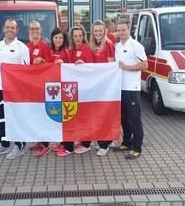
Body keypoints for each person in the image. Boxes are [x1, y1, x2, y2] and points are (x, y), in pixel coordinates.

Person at [0, 19, 30, 160]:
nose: (10, 30)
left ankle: (19, 146)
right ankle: (4, 144)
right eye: (7, 27)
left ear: (17, 30)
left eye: (12, 27)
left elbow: (25, 71)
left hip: (14, 90)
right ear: (3, 28)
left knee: (16, 118)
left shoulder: (22, 48)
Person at [56, 24, 95, 157]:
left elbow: (93, 70)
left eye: (80, 35)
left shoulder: (87, 51)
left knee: (84, 117)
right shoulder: (71, 49)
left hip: (84, 89)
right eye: (75, 36)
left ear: (84, 36)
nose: (78, 38)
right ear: (71, 37)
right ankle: (77, 140)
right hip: (73, 89)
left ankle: (86, 144)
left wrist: (84, 66)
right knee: (75, 117)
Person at [113, 18, 148, 159]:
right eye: (119, 30)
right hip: (119, 88)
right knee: (123, 118)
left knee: (134, 119)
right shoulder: (117, 46)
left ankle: (137, 147)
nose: (121, 32)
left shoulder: (136, 46)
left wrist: (127, 67)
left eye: (123, 30)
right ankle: (126, 142)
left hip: (131, 89)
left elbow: (145, 65)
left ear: (129, 30)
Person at [87, 20, 116, 156]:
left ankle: (103, 144)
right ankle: (108, 141)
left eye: (100, 30)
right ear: (92, 32)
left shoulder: (108, 44)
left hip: (105, 85)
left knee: (103, 114)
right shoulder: (92, 44)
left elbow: (111, 67)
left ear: (105, 31)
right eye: (95, 31)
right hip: (95, 84)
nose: (98, 33)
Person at [26, 20, 52, 157]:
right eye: (32, 29)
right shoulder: (27, 46)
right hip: (31, 86)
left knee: (43, 115)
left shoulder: (45, 46)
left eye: (37, 28)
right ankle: (39, 140)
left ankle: (45, 145)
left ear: (40, 30)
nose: (34, 31)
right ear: (29, 31)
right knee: (35, 115)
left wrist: (42, 61)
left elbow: (50, 65)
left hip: (42, 86)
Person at [48, 27, 72, 153]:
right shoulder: (51, 50)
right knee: (59, 117)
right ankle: (63, 142)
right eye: (56, 37)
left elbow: (71, 69)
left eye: (60, 38)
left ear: (64, 39)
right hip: (54, 87)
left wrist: (64, 64)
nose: (58, 40)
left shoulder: (66, 51)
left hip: (64, 88)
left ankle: (69, 147)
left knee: (66, 118)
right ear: (52, 38)